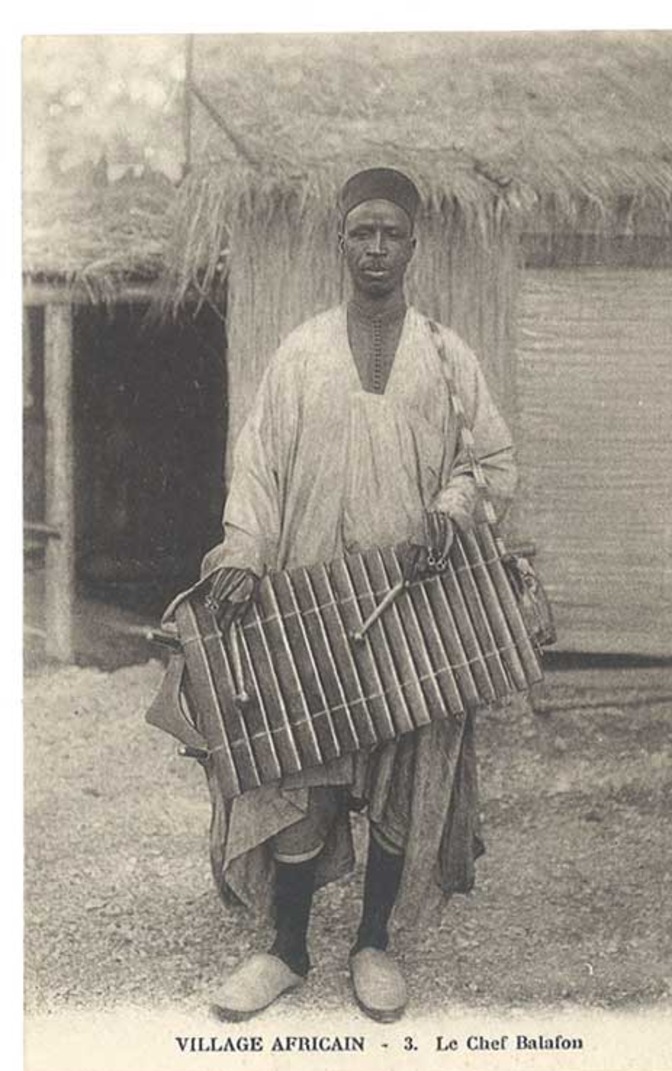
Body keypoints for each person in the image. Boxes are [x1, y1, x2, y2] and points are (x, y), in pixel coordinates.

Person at [195, 167, 517, 1022]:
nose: (376, 248)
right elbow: (258, 463)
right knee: (302, 768)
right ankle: (287, 950)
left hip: (414, 604)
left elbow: (487, 462)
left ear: (414, 245)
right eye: (361, 233)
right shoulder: (300, 353)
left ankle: (374, 942)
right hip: (311, 598)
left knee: (408, 771)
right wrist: (245, 548)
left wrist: (452, 510)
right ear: (341, 242)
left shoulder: (448, 357)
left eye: (392, 234)